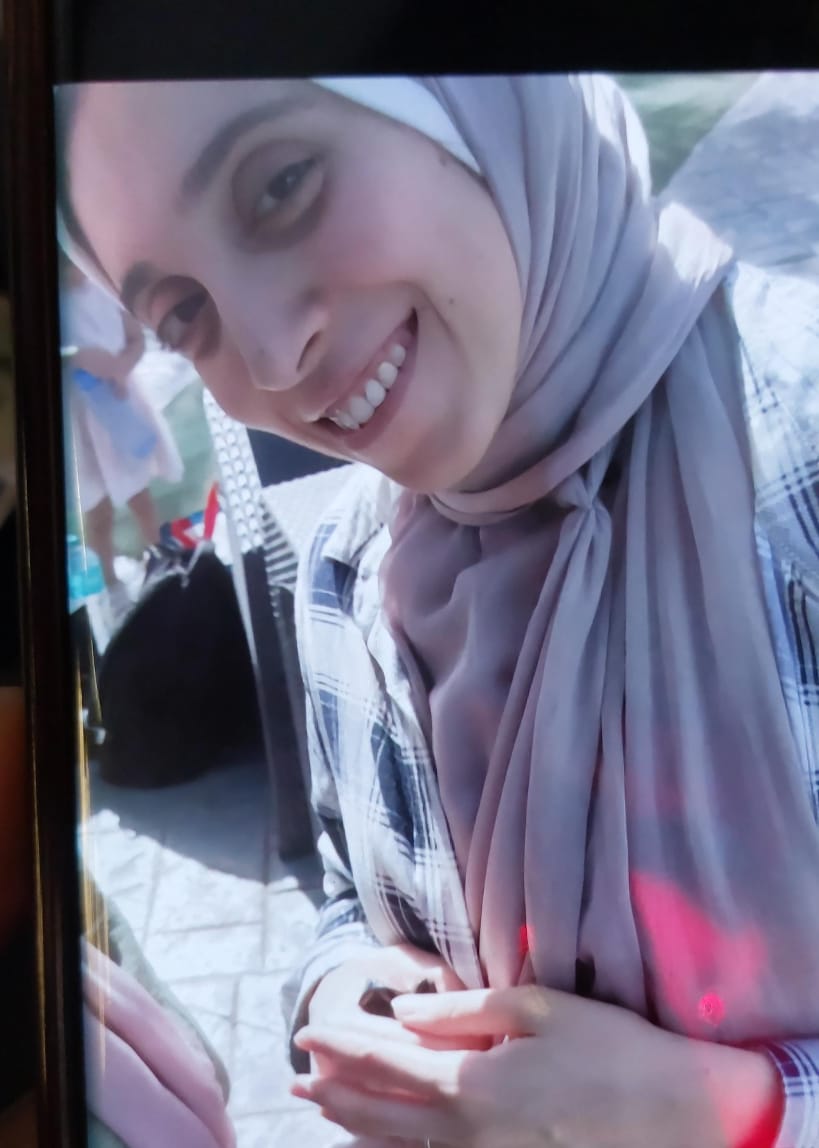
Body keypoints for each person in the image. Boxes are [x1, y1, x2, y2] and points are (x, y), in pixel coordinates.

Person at [55, 74, 819, 1146]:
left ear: (470, 98)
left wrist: (745, 1111)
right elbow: (348, 893)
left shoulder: (796, 456)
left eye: (281, 185)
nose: (271, 357)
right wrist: (346, 992)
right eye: (185, 314)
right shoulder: (346, 568)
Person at [60, 255, 183, 624]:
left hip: (118, 403)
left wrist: (120, 367)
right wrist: (78, 357)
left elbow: (135, 341)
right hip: (78, 413)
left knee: (138, 492)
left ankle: (159, 560)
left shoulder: (103, 287)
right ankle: (112, 585)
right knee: (96, 507)